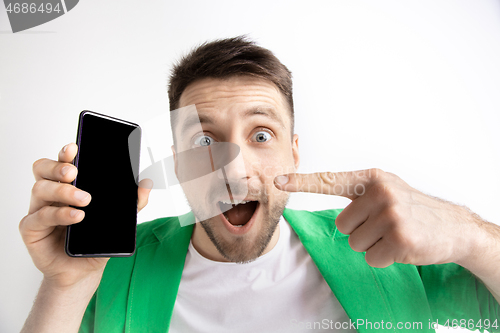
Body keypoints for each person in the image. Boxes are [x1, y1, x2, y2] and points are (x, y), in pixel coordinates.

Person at [20, 36, 499, 333]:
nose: (233, 168)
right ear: (178, 163)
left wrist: (471, 234)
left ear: (294, 151)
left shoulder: (382, 245)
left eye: (261, 134)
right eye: (204, 139)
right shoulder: (111, 265)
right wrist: (66, 286)